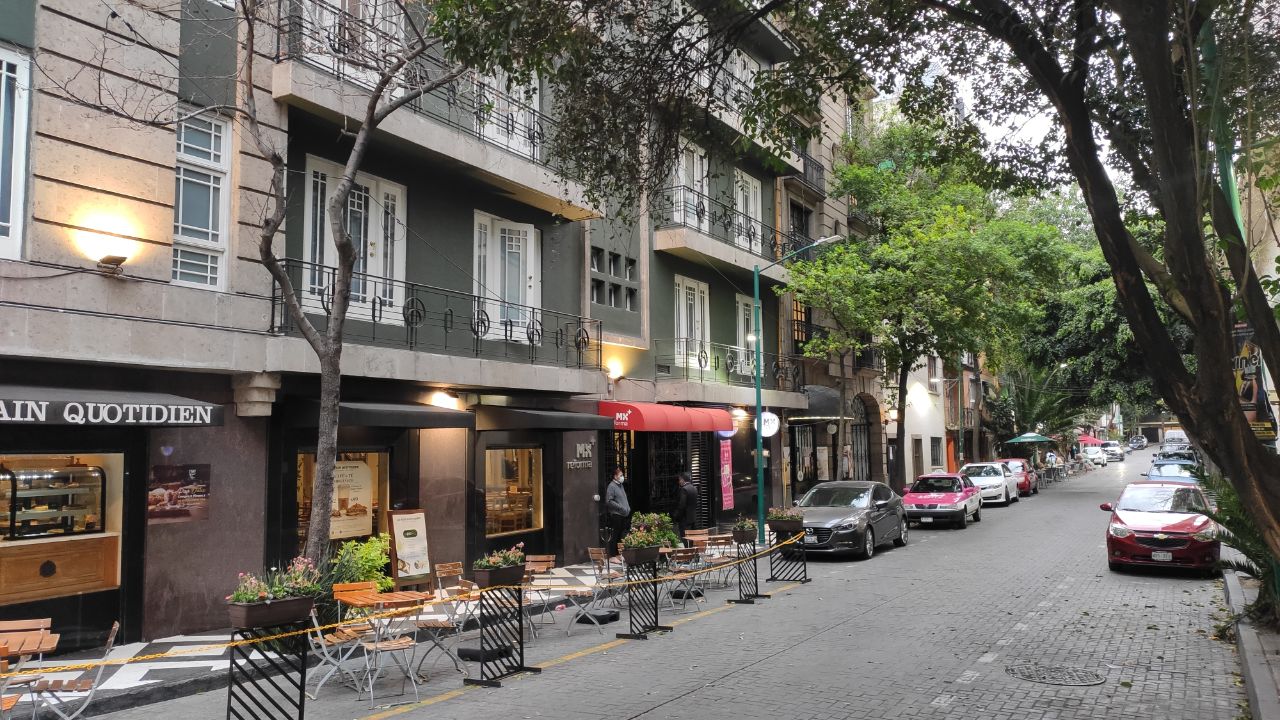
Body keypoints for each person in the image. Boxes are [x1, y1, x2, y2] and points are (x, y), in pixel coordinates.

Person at [605, 467, 631, 556]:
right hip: (616, 515)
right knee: (615, 535)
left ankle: (617, 554)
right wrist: (621, 508)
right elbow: (609, 501)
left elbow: (623, 499)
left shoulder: (620, 485)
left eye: (622, 475)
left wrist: (627, 508)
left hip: (623, 514)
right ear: (615, 476)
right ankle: (612, 555)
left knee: (620, 535)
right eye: (621, 475)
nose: (622, 477)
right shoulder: (611, 486)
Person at [674, 473, 699, 545]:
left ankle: (688, 550)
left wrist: (677, 516)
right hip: (693, 518)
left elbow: (682, 505)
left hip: (685, 519)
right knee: (693, 538)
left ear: (683, 480)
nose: (679, 482)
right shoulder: (694, 488)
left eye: (679, 480)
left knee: (685, 538)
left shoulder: (684, 489)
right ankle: (693, 551)